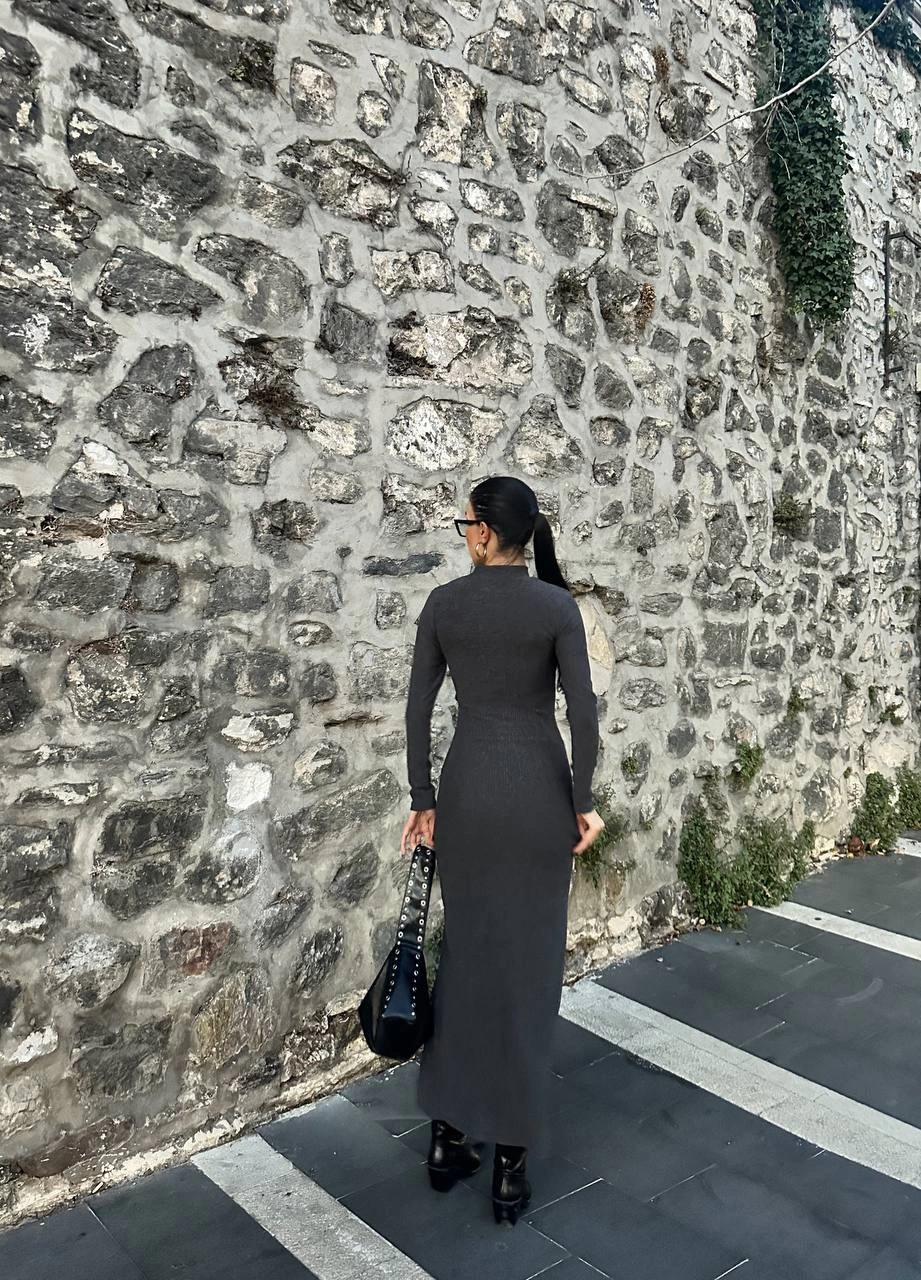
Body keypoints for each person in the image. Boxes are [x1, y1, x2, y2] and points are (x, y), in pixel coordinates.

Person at [400, 475, 604, 1226]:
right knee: (527, 970)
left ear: (484, 532)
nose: (464, 535)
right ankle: (510, 1166)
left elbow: (418, 708)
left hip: (468, 794)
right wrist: (583, 800)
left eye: (465, 524)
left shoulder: (443, 605)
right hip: (538, 797)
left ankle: (447, 1139)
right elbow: (582, 710)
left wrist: (423, 798)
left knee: (466, 958)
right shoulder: (555, 607)